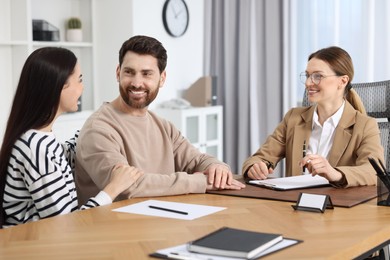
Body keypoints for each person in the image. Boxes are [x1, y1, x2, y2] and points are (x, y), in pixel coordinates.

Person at [75, 35, 245, 205]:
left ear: (162, 78)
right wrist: (199, 182)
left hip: (161, 220)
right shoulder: (98, 128)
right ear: (118, 73)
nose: (136, 83)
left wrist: (217, 168)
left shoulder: (163, 126)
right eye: (129, 72)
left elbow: (197, 160)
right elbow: (127, 187)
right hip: (114, 227)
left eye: (146, 74)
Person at [0, 47, 144, 228]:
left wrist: (101, 125)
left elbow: (68, 154)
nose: (82, 87)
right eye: (79, 80)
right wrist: (114, 187)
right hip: (33, 248)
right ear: (59, 85)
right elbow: (66, 224)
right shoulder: (35, 148)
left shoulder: (41, 139)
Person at [242, 46, 384, 188]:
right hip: (293, 204)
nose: (308, 83)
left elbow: (374, 171)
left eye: (317, 76)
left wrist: (335, 173)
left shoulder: (365, 125)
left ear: (343, 81)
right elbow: (260, 157)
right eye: (307, 75)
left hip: (338, 206)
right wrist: (255, 167)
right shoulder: (293, 118)